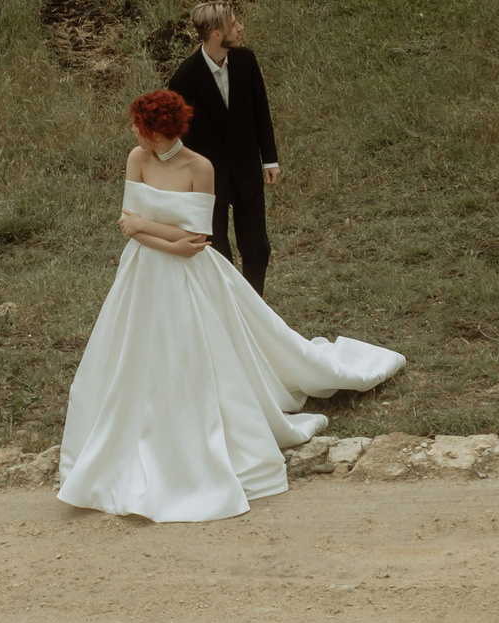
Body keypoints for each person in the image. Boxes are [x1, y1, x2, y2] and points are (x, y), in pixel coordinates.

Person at [57, 91, 405, 524]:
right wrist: (152, 233)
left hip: (188, 278)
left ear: (162, 131)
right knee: (130, 355)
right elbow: (131, 226)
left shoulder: (199, 168)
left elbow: (195, 243)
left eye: (141, 126)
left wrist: (145, 226)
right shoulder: (137, 159)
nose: (133, 131)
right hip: (141, 273)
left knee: (191, 360)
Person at [168, 0, 278, 295]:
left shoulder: (246, 61)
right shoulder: (184, 78)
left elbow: (260, 110)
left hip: (247, 170)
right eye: (233, 24)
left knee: (257, 247)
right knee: (218, 253)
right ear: (216, 34)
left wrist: (269, 159)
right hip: (208, 180)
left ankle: (254, 307)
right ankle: (228, 307)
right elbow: (179, 136)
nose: (240, 28)